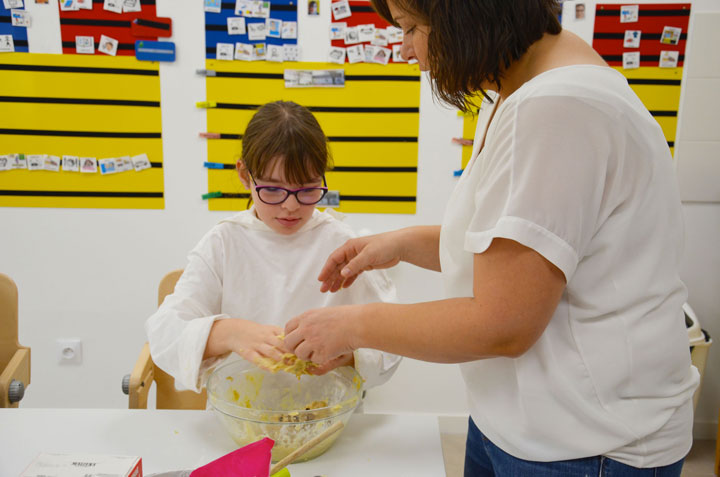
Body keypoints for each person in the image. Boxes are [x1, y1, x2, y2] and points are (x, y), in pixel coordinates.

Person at [282, 1, 699, 475]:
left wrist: (350, 326)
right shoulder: (521, 87)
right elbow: (520, 247)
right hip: (519, 419)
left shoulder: (555, 107)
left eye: (412, 28)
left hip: (585, 441)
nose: (405, 51)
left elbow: (503, 323)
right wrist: (402, 243)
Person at [146, 101, 400, 394]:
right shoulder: (225, 242)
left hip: (326, 415)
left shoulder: (340, 243)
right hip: (240, 416)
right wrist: (228, 332)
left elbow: (392, 339)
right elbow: (164, 333)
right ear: (244, 176)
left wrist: (354, 354)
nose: (290, 206)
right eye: (272, 189)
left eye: (307, 189)